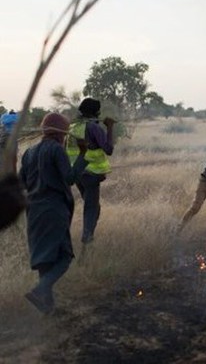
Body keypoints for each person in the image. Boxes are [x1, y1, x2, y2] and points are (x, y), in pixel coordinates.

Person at [20, 113, 88, 314]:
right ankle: (39, 290)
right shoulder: (57, 150)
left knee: (44, 260)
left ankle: (48, 309)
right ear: (61, 135)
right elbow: (69, 179)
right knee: (64, 256)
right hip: (54, 209)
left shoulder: (28, 153)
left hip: (33, 211)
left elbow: (20, 183)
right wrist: (83, 155)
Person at [66, 98, 115, 245]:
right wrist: (110, 127)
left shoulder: (72, 127)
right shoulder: (94, 128)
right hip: (91, 173)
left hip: (77, 173)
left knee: (93, 207)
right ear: (97, 112)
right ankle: (87, 240)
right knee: (91, 209)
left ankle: (88, 236)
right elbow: (109, 149)